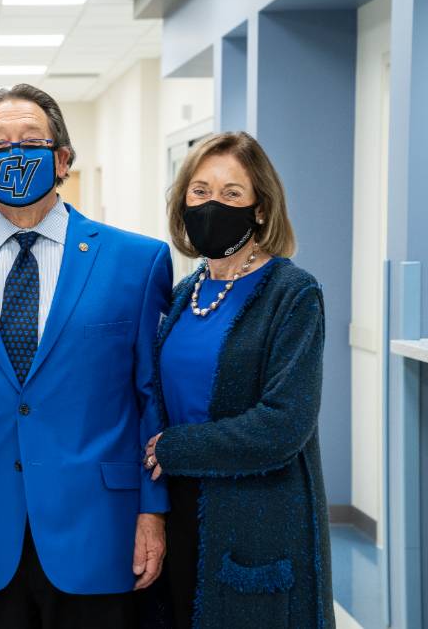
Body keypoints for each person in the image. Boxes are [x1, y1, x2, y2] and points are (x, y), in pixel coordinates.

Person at [0, 84, 171, 629]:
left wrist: (153, 510)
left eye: (31, 142)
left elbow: (151, 400)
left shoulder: (135, 262)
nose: (15, 154)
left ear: (63, 159)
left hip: (99, 525)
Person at [143, 131, 334, 628]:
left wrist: (176, 448)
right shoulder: (185, 292)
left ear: (260, 209)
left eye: (232, 194)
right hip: (179, 508)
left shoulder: (292, 294)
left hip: (256, 518)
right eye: (200, 191)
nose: (213, 205)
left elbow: (284, 425)